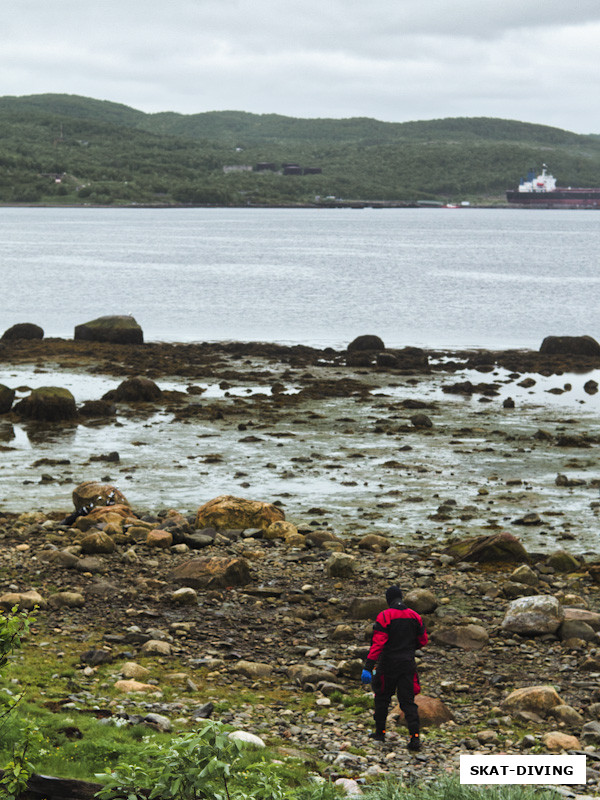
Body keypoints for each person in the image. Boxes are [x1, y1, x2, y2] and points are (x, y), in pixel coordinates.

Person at [361, 585, 428, 751]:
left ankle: (380, 732)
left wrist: (368, 667)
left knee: (382, 698)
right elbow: (423, 640)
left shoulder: (385, 616)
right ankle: (414, 739)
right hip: (407, 664)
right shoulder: (415, 616)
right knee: (408, 702)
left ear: (388, 599)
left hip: (388, 664)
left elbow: (378, 643)